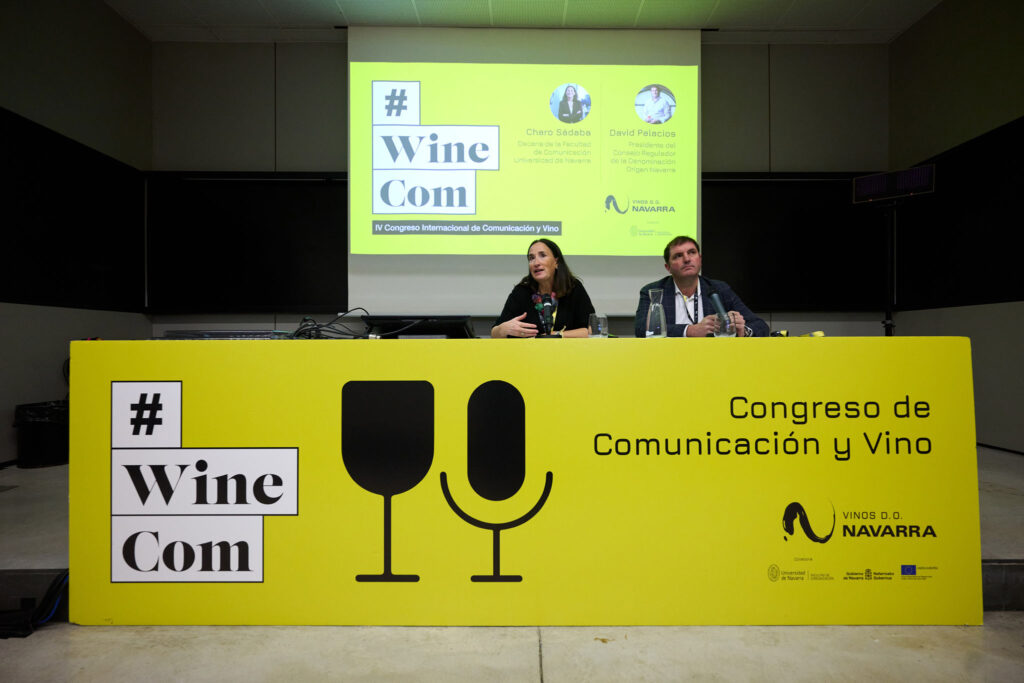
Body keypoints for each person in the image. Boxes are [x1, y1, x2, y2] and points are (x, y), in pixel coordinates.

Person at [634, 235, 768, 338]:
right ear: (668, 267)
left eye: (692, 252)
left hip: (713, 357)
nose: (687, 259)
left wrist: (743, 330)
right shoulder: (653, 291)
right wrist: (689, 330)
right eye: (678, 256)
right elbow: (641, 329)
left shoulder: (719, 289)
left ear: (700, 259)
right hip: (669, 357)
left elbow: (761, 326)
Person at [492, 239, 595, 338]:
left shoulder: (573, 288)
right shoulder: (522, 291)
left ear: (556, 262)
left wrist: (556, 335)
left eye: (542, 255)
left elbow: (592, 330)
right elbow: (494, 333)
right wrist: (502, 330)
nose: (536, 263)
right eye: (531, 258)